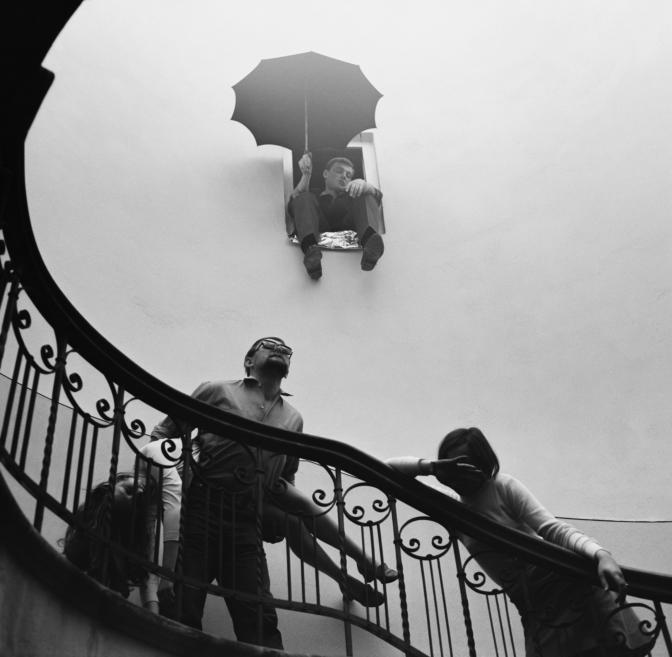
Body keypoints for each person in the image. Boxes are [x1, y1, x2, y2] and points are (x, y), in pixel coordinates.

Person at [149, 337, 395, 648]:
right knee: (182, 608)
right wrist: (179, 478)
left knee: (260, 621)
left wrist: (275, 513)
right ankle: (360, 562)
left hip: (246, 523)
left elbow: (286, 474)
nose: (279, 349)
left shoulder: (294, 418)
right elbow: (163, 434)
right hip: (202, 510)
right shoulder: (216, 390)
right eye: (268, 344)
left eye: (286, 350)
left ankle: (359, 560)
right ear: (249, 360)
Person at [386, 427, 654, 657]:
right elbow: (386, 470)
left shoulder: (502, 486)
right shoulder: (452, 509)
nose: (460, 473)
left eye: (466, 464)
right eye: (453, 465)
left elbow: (552, 529)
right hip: (533, 602)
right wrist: (430, 467)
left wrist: (600, 555)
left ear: (482, 462)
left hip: (568, 584)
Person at [288, 153, 385, 279]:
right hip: (318, 225)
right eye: (339, 171)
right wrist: (306, 175)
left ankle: (371, 244)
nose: (344, 176)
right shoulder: (314, 195)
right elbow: (295, 202)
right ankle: (311, 253)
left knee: (366, 194)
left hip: (349, 223)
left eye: (348, 175)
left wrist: (364, 185)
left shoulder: (352, 196)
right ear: (325, 174)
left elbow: (376, 198)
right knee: (303, 197)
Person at [63, 472, 157, 601]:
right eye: (129, 490)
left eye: (138, 503)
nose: (140, 491)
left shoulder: (124, 540)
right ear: (109, 486)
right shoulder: (87, 519)